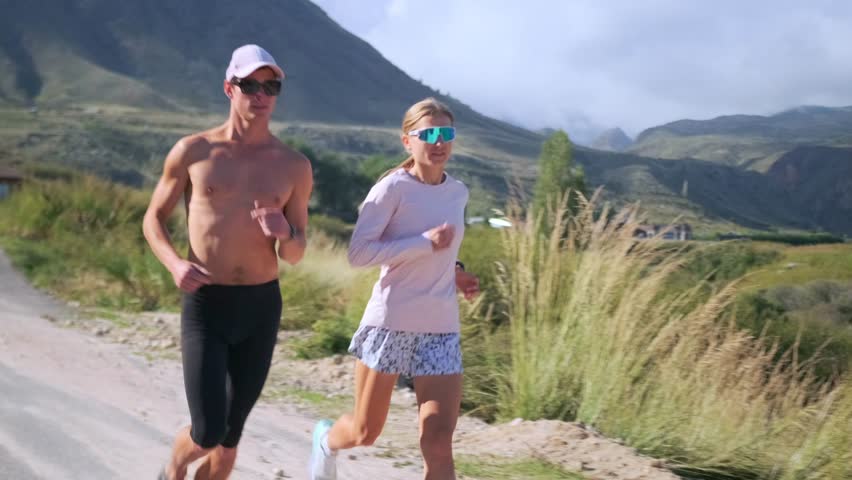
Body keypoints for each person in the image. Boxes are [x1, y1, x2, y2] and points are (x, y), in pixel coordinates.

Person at [142, 44, 312, 480]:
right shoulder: (194, 151)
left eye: (271, 86)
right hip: (207, 304)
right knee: (207, 432)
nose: (261, 95)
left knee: (229, 444)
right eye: (250, 85)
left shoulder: (293, 166)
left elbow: (295, 254)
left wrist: (284, 232)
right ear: (228, 88)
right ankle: (172, 470)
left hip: (260, 307)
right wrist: (175, 264)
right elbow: (153, 219)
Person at [309, 97, 481, 480]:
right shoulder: (391, 189)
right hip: (390, 324)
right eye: (429, 134)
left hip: (440, 329)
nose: (439, 142)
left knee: (438, 443)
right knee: (364, 432)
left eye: (446, 133)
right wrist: (423, 243)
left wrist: (455, 272)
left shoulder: (458, 192)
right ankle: (326, 441)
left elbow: (443, 250)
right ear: (407, 141)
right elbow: (359, 254)